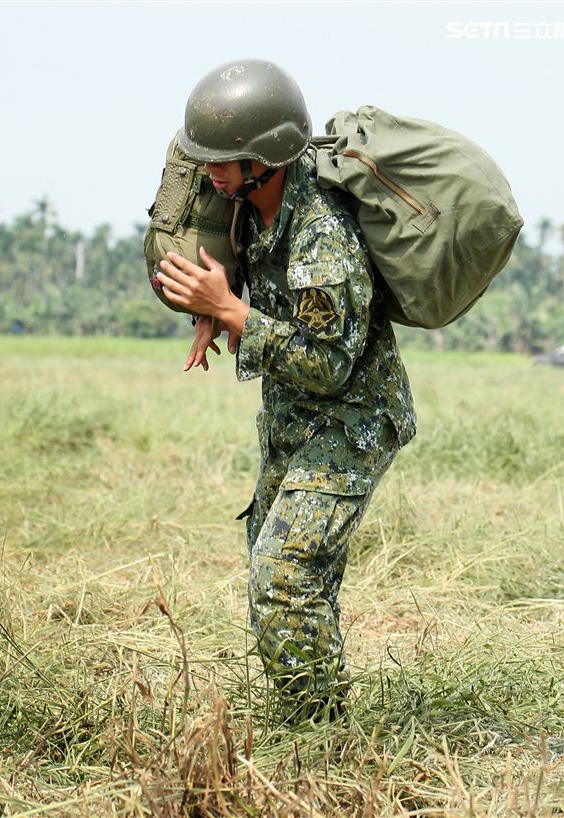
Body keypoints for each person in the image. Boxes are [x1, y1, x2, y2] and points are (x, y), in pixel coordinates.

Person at [156, 59, 416, 718]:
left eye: (229, 157)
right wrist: (213, 308)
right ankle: (316, 716)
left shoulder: (323, 234)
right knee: (285, 570)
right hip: (295, 422)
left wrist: (236, 313)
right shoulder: (253, 210)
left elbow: (330, 365)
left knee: (284, 575)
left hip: (350, 425)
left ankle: (317, 734)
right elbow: (246, 278)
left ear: (267, 156)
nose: (213, 170)